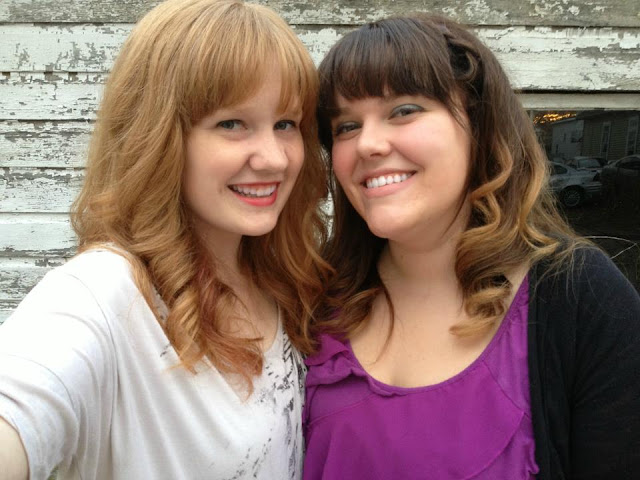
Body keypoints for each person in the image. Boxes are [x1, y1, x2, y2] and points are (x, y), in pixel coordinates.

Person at [0, 0, 329, 478]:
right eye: (232, 124)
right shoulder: (104, 293)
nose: (275, 158)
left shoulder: (279, 280)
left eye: (285, 124)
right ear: (159, 136)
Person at [302, 14, 640, 480]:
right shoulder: (310, 297)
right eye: (345, 126)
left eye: (403, 110)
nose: (367, 144)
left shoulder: (580, 296)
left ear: (479, 124)